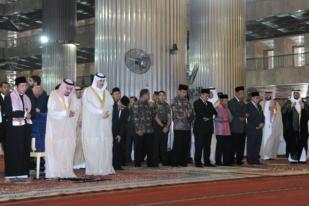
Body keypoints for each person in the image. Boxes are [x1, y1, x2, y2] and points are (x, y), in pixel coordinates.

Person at [82, 73, 115, 175]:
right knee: (93, 145)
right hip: (93, 125)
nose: (102, 83)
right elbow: (87, 105)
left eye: (103, 81)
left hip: (104, 125)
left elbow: (111, 105)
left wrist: (107, 113)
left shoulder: (107, 93)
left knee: (105, 145)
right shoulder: (88, 91)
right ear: (96, 81)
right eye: (100, 81)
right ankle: (94, 169)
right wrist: (100, 112)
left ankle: (105, 168)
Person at [45, 79, 77, 178]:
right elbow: (51, 112)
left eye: (71, 89)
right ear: (63, 86)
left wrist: (72, 113)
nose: (68, 90)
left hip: (68, 130)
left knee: (68, 150)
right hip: (56, 130)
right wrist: (65, 113)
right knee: (57, 151)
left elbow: (74, 110)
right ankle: (56, 172)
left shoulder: (72, 97)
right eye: (67, 88)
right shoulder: (54, 95)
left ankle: (67, 172)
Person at [3, 77, 32, 179]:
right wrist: (24, 114)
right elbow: (8, 113)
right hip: (13, 129)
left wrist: (28, 114)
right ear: (16, 87)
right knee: (14, 150)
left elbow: (30, 112)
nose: (24, 88)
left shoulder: (27, 97)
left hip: (25, 128)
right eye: (22, 86)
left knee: (24, 150)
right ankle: (12, 173)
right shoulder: (9, 97)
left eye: (25, 86)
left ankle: (23, 172)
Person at [282, 90, 309, 163]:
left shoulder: (304, 103)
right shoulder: (288, 103)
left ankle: (302, 159)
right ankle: (293, 159)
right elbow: (283, 113)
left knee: (302, 143)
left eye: (297, 93)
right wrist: (290, 107)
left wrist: (304, 107)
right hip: (292, 129)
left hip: (302, 129)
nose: (296, 94)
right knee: (292, 143)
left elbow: (308, 114)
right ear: (292, 94)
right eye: (295, 93)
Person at [193, 89, 217, 167]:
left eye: (208, 96)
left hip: (209, 128)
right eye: (206, 96)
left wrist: (209, 117)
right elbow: (201, 113)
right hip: (200, 129)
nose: (208, 97)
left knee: (207, 146)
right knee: (199, 146)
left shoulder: (210, 104)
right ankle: (198, 162)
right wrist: (210, 116)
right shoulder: (196, 103)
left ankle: (207, 161)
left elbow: (215, 113)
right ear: (202, 95)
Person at [171, 84, 193, 167]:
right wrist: (186, 114)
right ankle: (175, 162)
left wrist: (189, 113)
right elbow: (175, 112)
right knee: (178, 145)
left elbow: (190, 110)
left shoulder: (187, 101)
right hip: (179, 126)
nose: (185, 94)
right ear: (179, 92)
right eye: (183, 92)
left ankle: (183, 162)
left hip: (187, 127)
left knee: (185, 145)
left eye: (186, 92)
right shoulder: (174, 100)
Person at [133, 89, 156, 167]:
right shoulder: (137, 104)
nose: (149, 96)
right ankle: (137, 164)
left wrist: (152, 107)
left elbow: (153, 115)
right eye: (148, 94)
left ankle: (151, 164)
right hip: (141, 130)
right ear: (143, 95)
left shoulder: (148, 104)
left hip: (149, 130)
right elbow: (135, 117)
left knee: (150, 148)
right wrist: (138, 129)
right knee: (139, 148)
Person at [260, 91, 283, 160]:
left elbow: (278, 114)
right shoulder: (261, 103)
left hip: (272, 124)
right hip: (263, 125)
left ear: (271, 95)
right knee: (264, 140)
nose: (267, 95)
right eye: (266, 94)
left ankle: (270, 155)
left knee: (271, 140)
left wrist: (273, 110)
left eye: (269, 94)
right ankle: (263, 155)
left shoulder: (276, 103)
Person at [245, 91, 265, 165]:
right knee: (251, 144)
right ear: (252, 98)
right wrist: (257, 124)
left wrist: (262, 122)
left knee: (257, 144)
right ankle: (250, 160)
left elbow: (262, 116)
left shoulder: (259, 106)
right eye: (256, 98)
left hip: (259, 129)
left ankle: (256, 159)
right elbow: (249, 118)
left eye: (258, 98)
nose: (258, 99)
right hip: (252, 129)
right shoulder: (248, 106)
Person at [228, 86, 246, 165]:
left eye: (243, 93)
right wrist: (242, 116)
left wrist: (245, 116)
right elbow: (234, 112)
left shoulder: (243, 102)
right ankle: (231, 159)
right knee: (233, 145)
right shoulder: (231, 102)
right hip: (235, 127)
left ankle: (239, 159)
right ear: (236, 93)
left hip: (243, 127)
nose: (242, 95)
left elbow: (245, 112)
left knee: (241, 145)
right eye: (240, 93)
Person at [154, 91, 171, 166]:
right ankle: (157, 161)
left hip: (166, 125)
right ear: (158, 97)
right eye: (160, 95)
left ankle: (164, 161)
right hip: (158, 125)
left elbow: (169, 117)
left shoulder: (167, 105)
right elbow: (156, 117)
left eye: (163, 95)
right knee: (157, 144)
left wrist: (167, 126)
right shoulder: (155, 105)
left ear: (165, 97)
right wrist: (163, 126)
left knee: (164, 144)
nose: (161, 96)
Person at [215, 94, 233, 166]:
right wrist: (223, 119)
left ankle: (226, 162)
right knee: (219, 147)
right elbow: (215, 118)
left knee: (227, 147)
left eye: (227, 101)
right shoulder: (217, 108)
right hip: (220, 131)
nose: (226, 102)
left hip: (227, 131)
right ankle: (218, 162)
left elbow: (231, 119)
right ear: (221, 101)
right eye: (225, 101)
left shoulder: (227, 109)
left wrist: (226, 119)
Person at [112, 96, 130, 170]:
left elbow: (124, 124)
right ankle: (109, 165)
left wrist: (120, 134)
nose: (122, 108)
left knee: (118, 149)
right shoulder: (112, 107)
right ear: (119, 102)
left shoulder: (126, 110)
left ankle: (117, 165)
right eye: (122, 106)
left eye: (124, 107)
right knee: (110, 149)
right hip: (110, 131)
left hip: (119, 132)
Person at [73, 86, 85, 169]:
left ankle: (81, 163)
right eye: (76, 92)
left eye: (80, 92)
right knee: (75, 145)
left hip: (82, 127)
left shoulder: (83, 102)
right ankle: (74, 163)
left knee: (82, 145)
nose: (78, 94)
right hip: (73, 127)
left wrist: (82, 120)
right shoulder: (71, 102)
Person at [125, 96, 137, 164]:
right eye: (130, 101)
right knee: (128, 146)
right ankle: (128, 160)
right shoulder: (126, 109)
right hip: (128, 131)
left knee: (136, 147)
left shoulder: (138, 109)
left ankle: (136, 160)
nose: (131, 102)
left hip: (136, 130)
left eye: (133, 101)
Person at [0, 82, 10, 152]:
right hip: (0, 122)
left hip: (7, 123)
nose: (6, 89)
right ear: (0, 88)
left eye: (7, 87)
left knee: (6, 141)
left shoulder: (10, 97)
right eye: (4, 87)